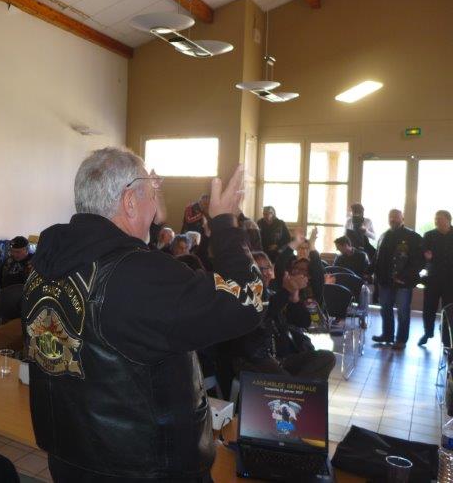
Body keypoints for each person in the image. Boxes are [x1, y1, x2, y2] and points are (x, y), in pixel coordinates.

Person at [21, 148, 265, 482]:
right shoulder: (140, 277)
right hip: (144, 469)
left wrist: (149, 201)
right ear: (129, 202)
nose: (156, 201)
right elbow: (250, 300)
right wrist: (224, 223)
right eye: (152, 193)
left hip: (71, 460)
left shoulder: (44, 267)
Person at [225, 252, 336, 380]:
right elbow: (264, 312)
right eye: (260, 269)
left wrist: (294, 298)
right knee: (290, 382)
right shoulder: (241, 296)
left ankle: (297, 387)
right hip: (255, 359)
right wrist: (287, 290)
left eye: (268, 268)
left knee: (327, 358)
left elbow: (303, 322)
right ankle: (297, 388)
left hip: (282, 358)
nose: (266, 273)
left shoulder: (272, 293)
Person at [372, 209, 423, 350]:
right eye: (390, 217)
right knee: (385, 310)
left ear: (402, 219)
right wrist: (369, 271)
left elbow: (419, 261)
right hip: (385, 281)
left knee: (403, 312)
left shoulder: (413, 237)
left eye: (396, 217)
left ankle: (401, 340)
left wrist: (404, 276)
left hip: (403, 283)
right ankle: (387, 335)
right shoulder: (384, 236)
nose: (392, 219)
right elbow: (377, 257)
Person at [419, 210, 453, 346]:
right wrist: (426, 256)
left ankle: (446, 339)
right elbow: (423, 253)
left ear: (448, 220)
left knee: (449, 310)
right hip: (433, 278)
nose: (436, 221)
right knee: (428, 308)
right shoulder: (429, 235)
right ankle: (428, 332)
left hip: (451, 280)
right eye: (435, 218)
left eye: (439, 218)